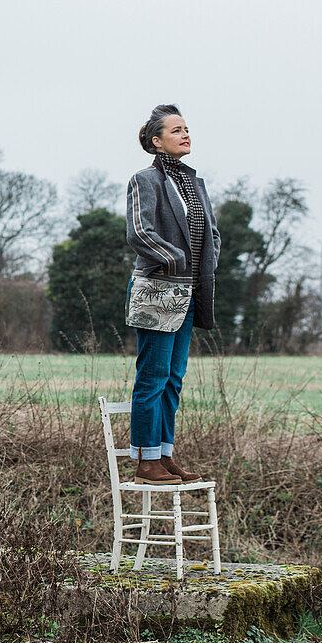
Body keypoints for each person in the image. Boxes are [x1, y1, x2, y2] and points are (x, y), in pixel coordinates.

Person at [124, 104, 220, 484]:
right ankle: (145, 461)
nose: (185, 134)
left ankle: (164, 456)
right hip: (157, 291)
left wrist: (209, 261)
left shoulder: (196, 183)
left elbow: (212, 232)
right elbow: (139, 231)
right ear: (156, 141)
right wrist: (176, 259)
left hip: (190, 295)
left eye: (186, 128)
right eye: (176, 130)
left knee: (174, 379)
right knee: (153, 375)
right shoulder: (144, 180)